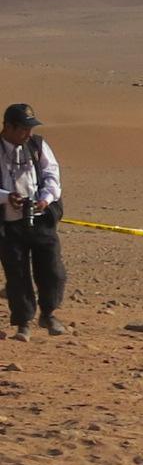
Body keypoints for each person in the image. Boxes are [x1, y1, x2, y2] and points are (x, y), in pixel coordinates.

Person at [1, 103, 68, 340]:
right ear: (8, 127)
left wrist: (45, 199)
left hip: (41, 220)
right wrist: (6, 197)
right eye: (23, 128)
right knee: (17, 274)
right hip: (9, 224)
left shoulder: (37, 145)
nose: (28, 133)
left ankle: (48, 314)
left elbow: (52, 175)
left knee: (52, 270)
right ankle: (23, 323)